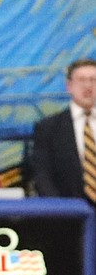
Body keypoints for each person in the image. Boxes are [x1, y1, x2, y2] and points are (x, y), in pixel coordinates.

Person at [31, 59, 96, 204]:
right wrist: (61, 210)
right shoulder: (48, 128)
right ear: (69, 86)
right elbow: (42, 175)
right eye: (81, 80)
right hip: (69, 215)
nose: (88, 86)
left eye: (93, 80)